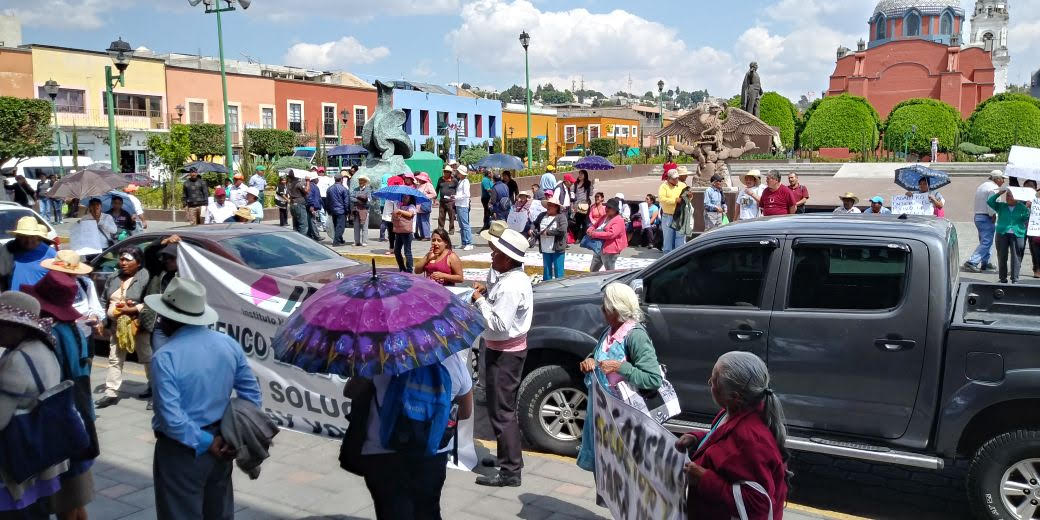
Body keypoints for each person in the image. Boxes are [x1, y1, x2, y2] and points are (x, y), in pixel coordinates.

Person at [145, 278, 262, 520]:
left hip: (182, 451)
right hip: (224, 443)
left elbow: (171, 418)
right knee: (218, 512)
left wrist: (208, 442)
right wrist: (233, 436)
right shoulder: (228, 344)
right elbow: (252, 396)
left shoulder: (165, 356)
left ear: (169, 319)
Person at [351, 351, 472, 520]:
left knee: (391, 510)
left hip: (384, 450)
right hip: (432, 452)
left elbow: (352, 392)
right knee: (428, 510)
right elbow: (466, 412)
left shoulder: (379, 354)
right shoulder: (454, 362)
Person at [675, 352, 790, 520]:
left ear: (734, 397)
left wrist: (704, 479)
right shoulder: (732, 413)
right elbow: (722, 441)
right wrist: (698, 438)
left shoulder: (751, 440)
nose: (709, 382)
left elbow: (759, 506)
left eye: (714, 380)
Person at [22, 271, 99, 520]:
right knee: (75, 498)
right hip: (79, 415)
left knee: (65, 498)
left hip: (62, 420)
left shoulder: (52, 336)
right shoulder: (72, 330)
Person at [575, 282, 662, 472]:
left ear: (616, 309)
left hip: (624, 421)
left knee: (621, 473)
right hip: (602, 417)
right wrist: (589, 362)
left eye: (605, 305)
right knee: (605, 473)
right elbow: (597, 356)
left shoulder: (636, 336)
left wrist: (622, 367)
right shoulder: (609, 331)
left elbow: (653, 379)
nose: (602, 309)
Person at [473, 225, 533, 487]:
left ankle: (510, 471)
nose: (491, 256)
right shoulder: (510, 279)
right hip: (504, 351)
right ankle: (506, 458)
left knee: (501, 412)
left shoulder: (511, 285)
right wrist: (486, 294)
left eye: (496, 253)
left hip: (505, 355)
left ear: (508, 259)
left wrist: (479, 301)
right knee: (500, 409)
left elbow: (499, 324)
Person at [0, 291, 64, 518]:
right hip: (42, 455)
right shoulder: (44, 349)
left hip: (18, 460)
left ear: (18, 326)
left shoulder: (17, 360)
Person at [95, 246, 151, 409]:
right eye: (121, 259)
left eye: (128, 259)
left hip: (137, 325)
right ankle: (111, 393)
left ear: (138, 263)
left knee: (147, 357)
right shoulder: (113, 277)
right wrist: (103, 320)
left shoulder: (145, 276)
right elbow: (104, 300)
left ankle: (154, 389)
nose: (123, 262)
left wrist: (133, 309)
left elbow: (150, 301)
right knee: (115, 358)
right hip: (117, 326)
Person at [42, 250, 103, 341]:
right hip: (58, 337)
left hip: (84, 335)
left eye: (70, 274)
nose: (65, 277)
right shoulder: (47, 285)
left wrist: (94, 316)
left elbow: (95, 306)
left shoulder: (85, 283)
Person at [140, 242, 179, 354]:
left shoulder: (187, 274)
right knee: (160, 356)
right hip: (161, 324)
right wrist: (163, 241)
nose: (167, 260)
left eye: (172, 258)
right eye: (165, 257)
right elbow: (148, 252)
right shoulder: (159, 272)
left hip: (180, 324)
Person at [988, 187, 1032, 284]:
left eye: (1011, 196)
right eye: (1007, 195)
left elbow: (1027, 218)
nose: (1008, 198)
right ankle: (1002, 278)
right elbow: (990, 201)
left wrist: (1028, 208)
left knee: (1016, 257)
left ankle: (1015, 278)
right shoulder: (1001, 206)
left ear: (1016, 198)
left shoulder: (1022, 207)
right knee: (1002, 256)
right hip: (1002, 233)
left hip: (1018, 234)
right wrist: (999, 193)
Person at [0, 217, 56, 292]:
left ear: (38, 236)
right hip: (12, 301)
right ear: (18, 236)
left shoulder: (50, 253)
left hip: (37, 302)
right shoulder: (9, 248)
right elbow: (2, 275)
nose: (28, 240)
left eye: (32, 236)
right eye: (24, 237)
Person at [964, 171, 1006, 273]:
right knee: (987, 242)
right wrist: (992, 215)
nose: (1003, 181)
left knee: (986, 241)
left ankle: (985, 262)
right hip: (986, 216)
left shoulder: (983, 186)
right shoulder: (993, 188)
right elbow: (991, 203)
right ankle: (972, 261)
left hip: (979, 216)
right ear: (997, 179)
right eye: (1002, 179)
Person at [533, 192, 568, 281]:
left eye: (551, 205)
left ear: (556, 207)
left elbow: (562, 230)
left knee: (558, 272)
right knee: (547, 271)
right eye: (548, 205)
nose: (548, 207)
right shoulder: (542, 215)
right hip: (545, 248)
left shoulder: (561, 217)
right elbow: (534, 223)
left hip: (557, 248)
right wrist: (531, 229)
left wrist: (548, 233)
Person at [586, 198, 628, 272]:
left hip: (610, 250)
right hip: (599, 248)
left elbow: (611, 234)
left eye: (609, 207)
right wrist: (590, 229)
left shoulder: (619, 220)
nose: (607, 209)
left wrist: (594, 234)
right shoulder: (604, 217)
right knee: (593, 270)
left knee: (609, 272)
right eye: (606, 206)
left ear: (615, 210)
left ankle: (612, 283)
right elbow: (595, 225)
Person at [658, 169, 688, 253]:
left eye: (677, 178)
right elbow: (662, 199)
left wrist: (689, 197)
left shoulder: (682, 185)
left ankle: (679, 256)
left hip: (680, 215)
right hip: (668, 216)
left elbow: (688, 196)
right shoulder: (664, 186)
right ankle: (668, 258)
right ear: (669, 178)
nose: (676, 180)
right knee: (668, 239)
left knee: (680, 238)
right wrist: (675, 200)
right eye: (674, 179)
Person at [393, 194, 417, 272]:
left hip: (407, 232)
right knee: (396, 250)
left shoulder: (412, 206)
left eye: (406, 197)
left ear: (410, 198)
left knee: (407, 251)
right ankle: (402, 268)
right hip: (399, 230)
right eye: (403, 197)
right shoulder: (400, 205)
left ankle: (409, 270)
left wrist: (400, 211)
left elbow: (410, 214)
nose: (404, 199)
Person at [325, 175, 350, 246]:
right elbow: (346, 202)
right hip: (341, 211)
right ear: (341, 179)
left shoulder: (329, 189)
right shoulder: (343, 189)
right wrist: (347, 211)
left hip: (333, 210)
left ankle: (340, 239)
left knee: (336, 226)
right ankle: (336, 242)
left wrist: (328, 210)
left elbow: (327, 201)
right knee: (340, 227)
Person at [572, 170, 595, 241]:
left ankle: (583, 237)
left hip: (584, 204)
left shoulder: (588, 183)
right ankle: (577, 237)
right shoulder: (576, 183)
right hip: (577, 204)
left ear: (585, 175)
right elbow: (573, 193)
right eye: (579, 174)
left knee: (584, 221)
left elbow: (591, 194)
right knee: (577, 222)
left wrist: (591, 186)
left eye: (582, 174)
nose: (580, 175)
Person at [454, 168, 474, 251]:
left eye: (458, 172)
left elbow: (466, 194)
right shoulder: (460, 181)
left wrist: (456, 197)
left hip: (463, 205)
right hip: (459, 204)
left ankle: (469, 243)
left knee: (465, 225)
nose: (457, 173)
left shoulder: (465, 182)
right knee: (461, 225)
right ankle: (464, 242)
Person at [288, 171, 311, 237]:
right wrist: (308, 181)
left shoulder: (289, 184)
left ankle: (296, 239)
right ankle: (302, 240)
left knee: (296, 224)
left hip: (293, 204)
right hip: (299, 205)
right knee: (303, 224)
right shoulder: (298, 184)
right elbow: (307, 191)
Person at [415, 172, 437, 240]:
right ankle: (422, 235)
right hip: (418, 206)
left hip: (424, 205)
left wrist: (425, 196)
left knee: (425, 221)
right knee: (419, 221)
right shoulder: (419, 185)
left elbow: (434, 194)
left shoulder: (428, 185)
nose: (419, 180)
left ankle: (427, 236)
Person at [436, 166, 458, 234]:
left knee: (451, 216)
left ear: (450, 173)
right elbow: (437, 189)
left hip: (450, 202)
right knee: (441, 216)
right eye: (445, 171)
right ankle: (440, 229)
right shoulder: (440, 179)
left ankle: (451, 230)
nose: (445, 173)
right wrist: (435, 198)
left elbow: (457, 190)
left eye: (447, 172)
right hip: (442, 201)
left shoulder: (454, 180)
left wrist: (456, 198)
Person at [352, 175, 372, 246]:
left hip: (364, 210)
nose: (360, 182)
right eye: (360, 180)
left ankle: (364, 241)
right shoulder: (355, 189)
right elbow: (351, 197)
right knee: (356, 226)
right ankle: (356, 241)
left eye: (362, 180)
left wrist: (363, 201)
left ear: (365, 182)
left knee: (364, 226)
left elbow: (369, 200)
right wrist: (358, 200)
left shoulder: (368, 190)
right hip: (356, 210)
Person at [306, 176, 325, 241]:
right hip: (312, 206)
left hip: (314, 206)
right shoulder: (311, 186)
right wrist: (311, 206)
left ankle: (310, 234)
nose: (318, 180)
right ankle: (316, 236)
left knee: (311, 220)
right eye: (317, 179)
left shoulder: (314, 186)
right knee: (312, 221)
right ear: (314, 179)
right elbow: (309, 196)